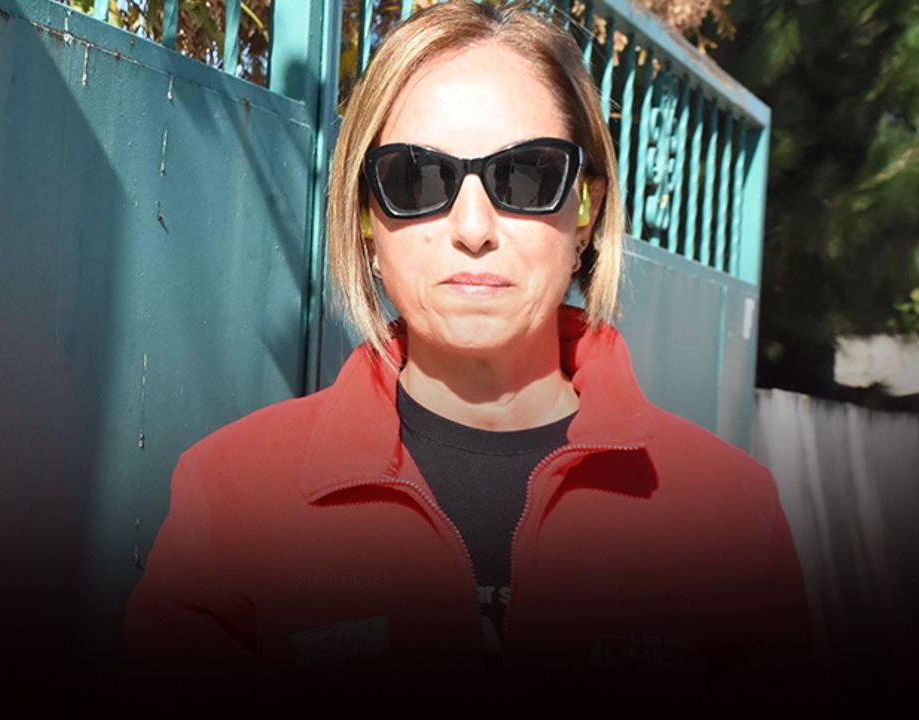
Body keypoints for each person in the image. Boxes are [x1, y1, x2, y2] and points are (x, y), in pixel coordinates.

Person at [125, 0, 814, 710]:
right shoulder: (231, 498)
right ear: (366, 218)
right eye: (416, 178)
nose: (474, 227)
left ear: (586, 210)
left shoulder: (731, 515)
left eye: (528, 174)